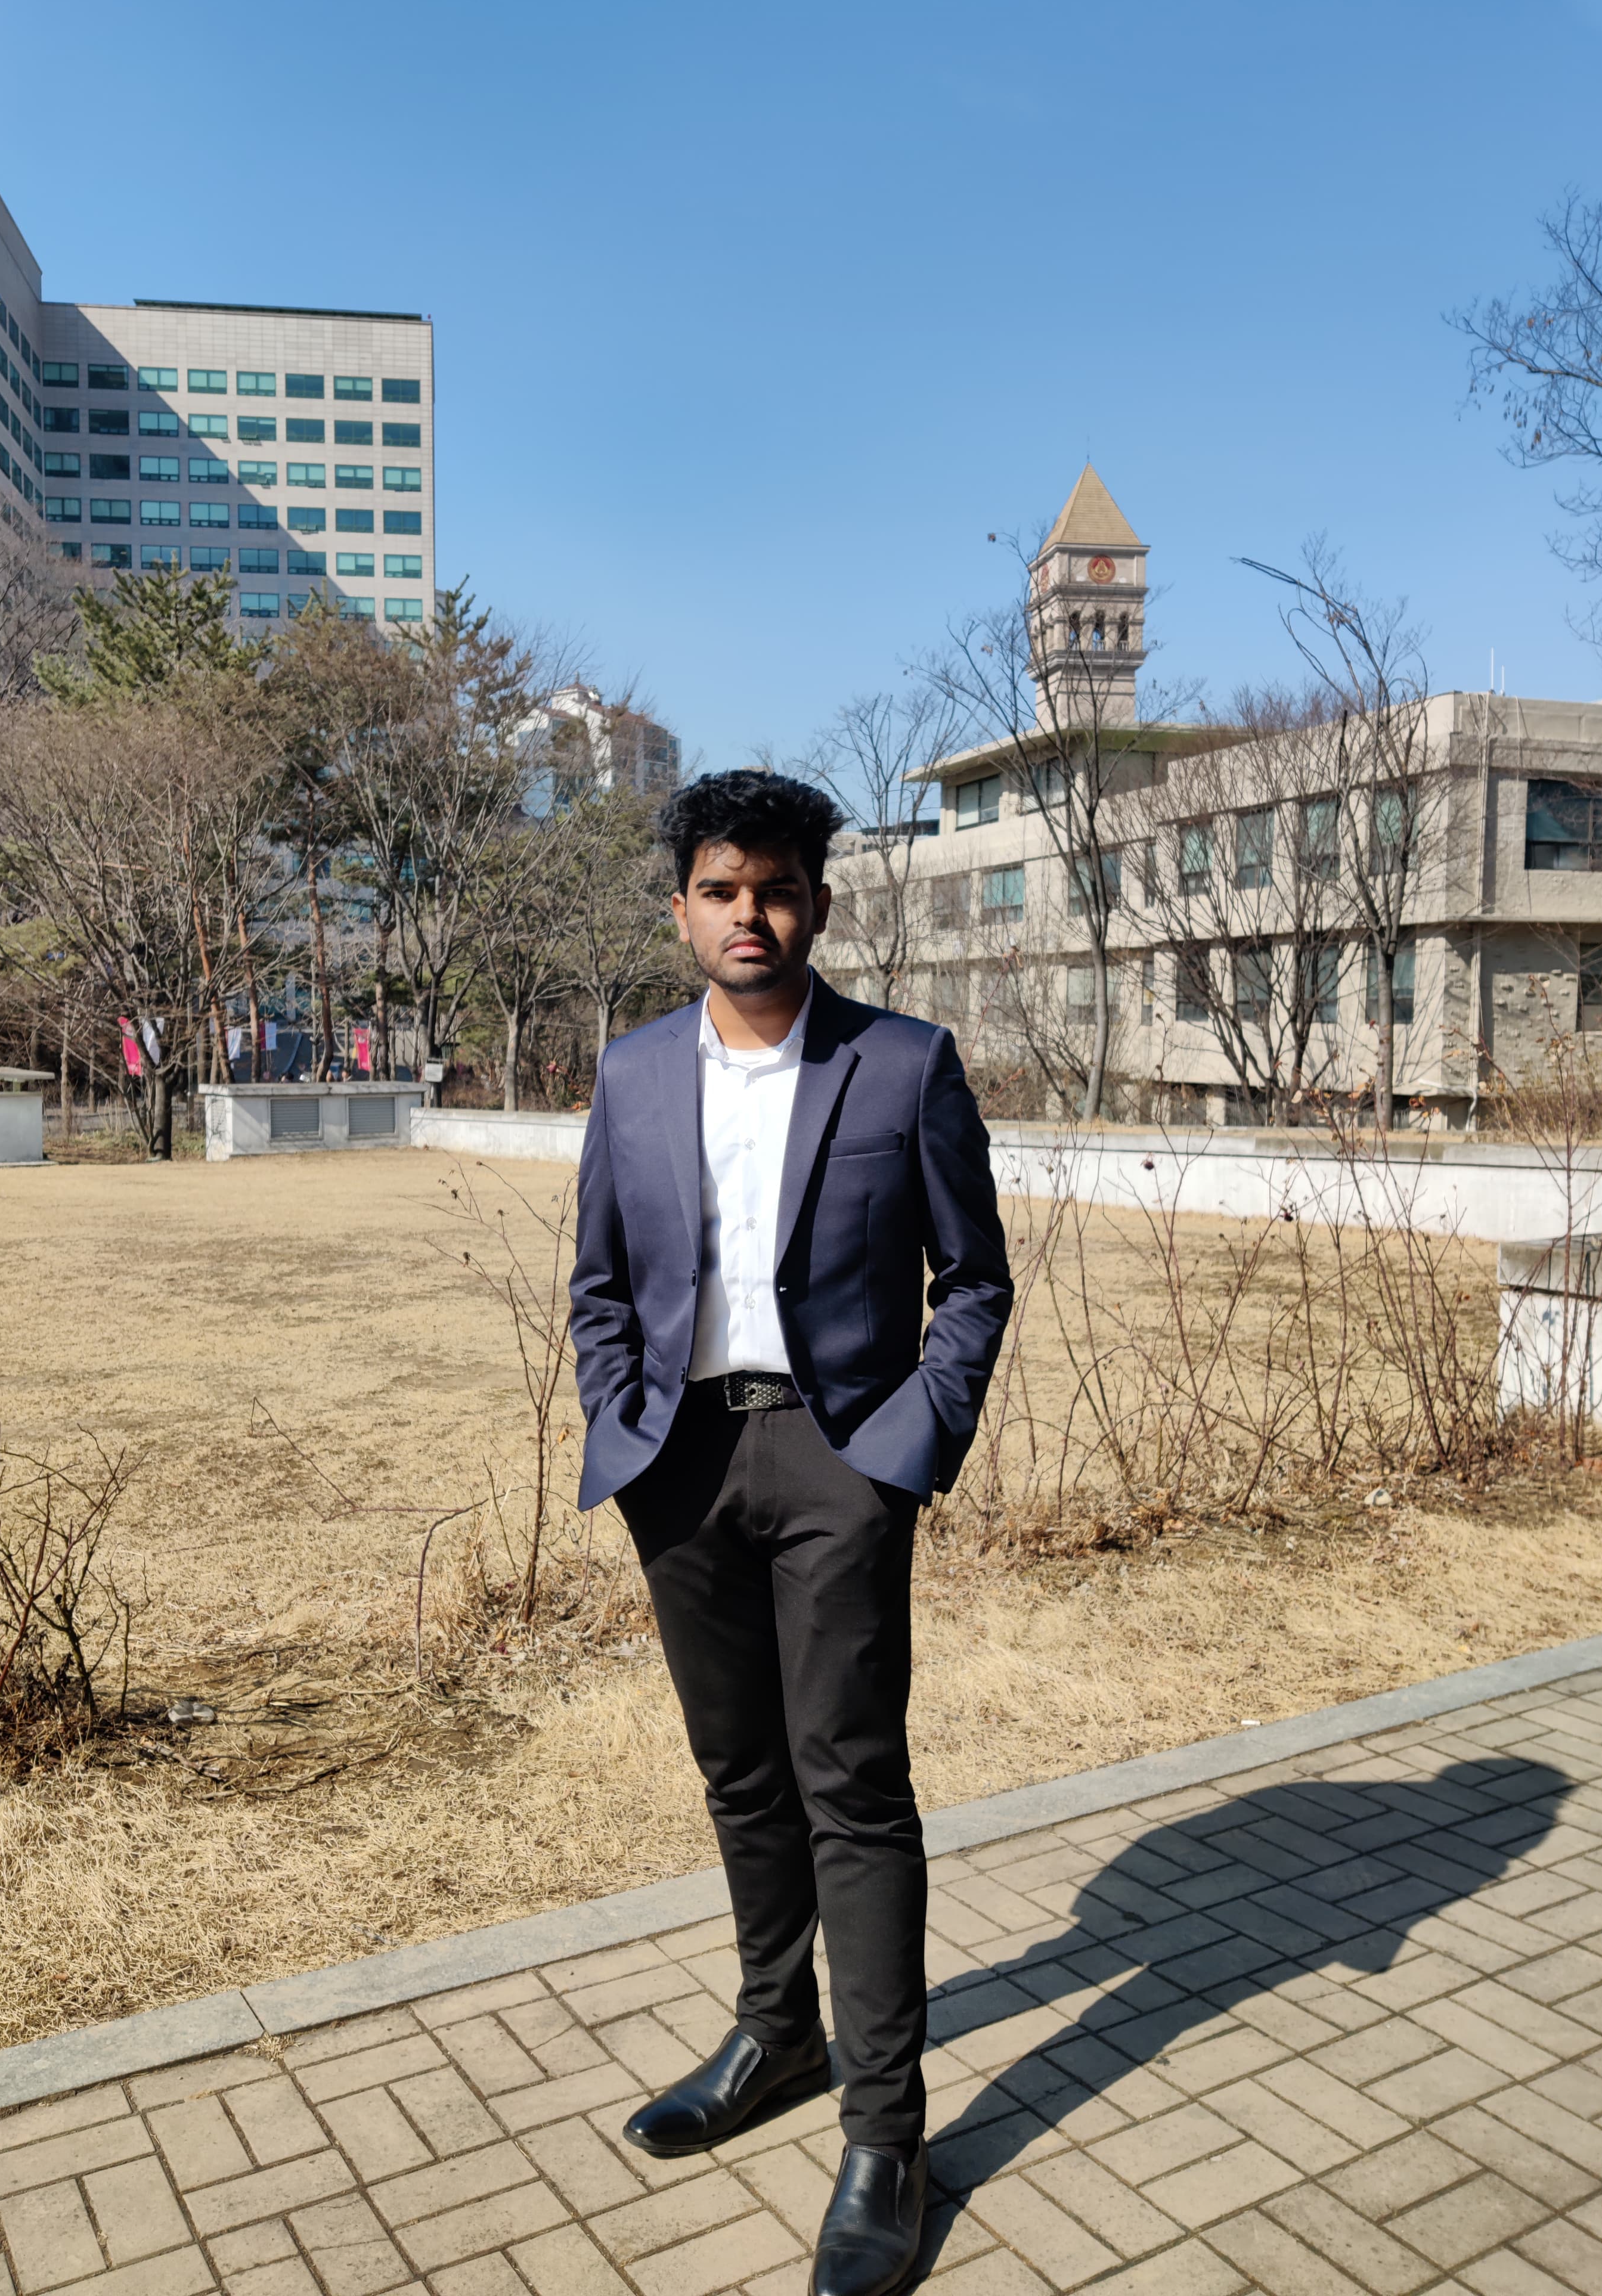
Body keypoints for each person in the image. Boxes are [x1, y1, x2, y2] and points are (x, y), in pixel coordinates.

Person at [570, 770, 1013, 2296]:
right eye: (720, 887)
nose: (747, 914)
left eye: (775, 888)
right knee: (738, 1770)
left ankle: (889, 2133)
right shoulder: (630, 1076)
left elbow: (977, 1280)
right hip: (682, 1464)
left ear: (818, 903)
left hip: (841, 1461)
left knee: (852, 1786)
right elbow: (602, 1287)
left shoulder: (902, 1065)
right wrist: (626, 1431)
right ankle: (777, 2032)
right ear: (682, 903)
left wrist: (905, 1448)